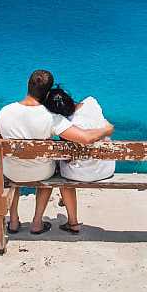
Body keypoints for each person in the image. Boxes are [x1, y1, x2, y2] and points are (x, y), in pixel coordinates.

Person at [0, 70, 113, 234]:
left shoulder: (4, 112)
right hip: (41, 173)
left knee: (13, 171)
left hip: (12, 171)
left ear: (28, 85)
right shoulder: (51, 117)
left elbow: (0, 141)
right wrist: (106, 130)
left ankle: (13, 221)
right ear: (47, 92)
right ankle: (37, 222)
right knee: (53, 171)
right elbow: (85, 138)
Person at [42, 86, 114, 233]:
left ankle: (73, 223)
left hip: (80, 174)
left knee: (61, 176)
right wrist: (107, 129)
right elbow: (104, 124)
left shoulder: (65, 125)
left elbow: (68, 158)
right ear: (67, 96)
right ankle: (67, 208)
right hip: (106, 168)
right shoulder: (91, 102)